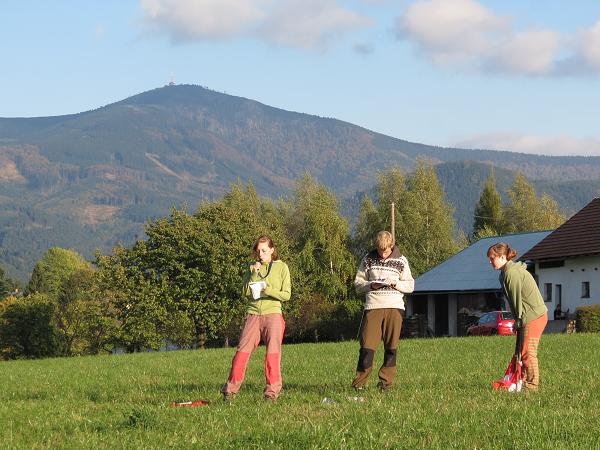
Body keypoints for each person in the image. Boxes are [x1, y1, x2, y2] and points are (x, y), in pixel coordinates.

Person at [221, 235, 291, 401]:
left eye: (264, 250)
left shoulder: (282, 267)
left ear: (272, 250)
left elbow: (286, 295)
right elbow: (244, 292)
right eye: (258, 251)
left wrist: (268, 291)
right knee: (241, 353)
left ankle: (271, 393)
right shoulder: (251, 266)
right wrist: (254, 273)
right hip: (253, 314)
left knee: (272, 355)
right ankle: (230, 391)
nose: (260, 254)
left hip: (273, 314)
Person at [352, 231, 414, 392]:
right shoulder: (368, 259)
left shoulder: (401, 261)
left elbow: (410, 286)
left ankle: (386, 382)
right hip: (373, 306)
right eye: (380, 250)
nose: (382, 254)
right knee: (367, 347)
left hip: (395, 306)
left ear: (392, 246)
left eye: (385, 251)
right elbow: (358, 284)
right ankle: (360, 383)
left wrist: (396, 284)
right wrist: (372, 284)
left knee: (391, 347)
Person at [487, 242, 548, 391]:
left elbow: (515, 301)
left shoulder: (511, 273)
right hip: (528, 316)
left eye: (492, 258)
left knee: (528, 352)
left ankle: (532, 386)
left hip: (534, 316)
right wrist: (518, 320)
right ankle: (523, 382)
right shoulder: (506, 273)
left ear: (502, 257)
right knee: (523, 351)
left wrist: (518, 320)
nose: (490, 261)